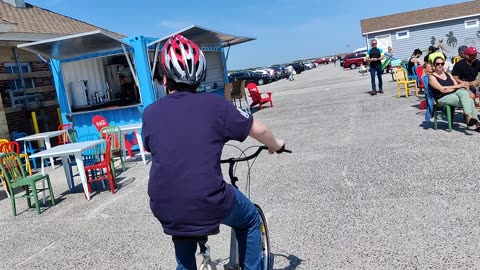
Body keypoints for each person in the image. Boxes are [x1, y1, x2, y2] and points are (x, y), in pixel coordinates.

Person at [142, 34, 286, 270]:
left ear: (165, 78)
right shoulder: (216, 105)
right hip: (208, 199)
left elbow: (151, 148)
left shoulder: (149, 114)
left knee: (183, 233)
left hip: (164, 204)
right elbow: (259, 130)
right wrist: (276, 144)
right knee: (249, 219)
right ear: (200, 76)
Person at [429, 56, 479, 127]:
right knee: (469, 100)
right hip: (442, 98)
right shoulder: (432, 77)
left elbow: (455, 85)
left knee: (465, 94)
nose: (440, 65)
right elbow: (442, 89)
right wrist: (456, 87)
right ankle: (476, 122)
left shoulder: (448, 74)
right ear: (434, 65)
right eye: (438, 64)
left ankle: (470, 117)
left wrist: (451, 88)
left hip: (453, 94)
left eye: (442, 64)